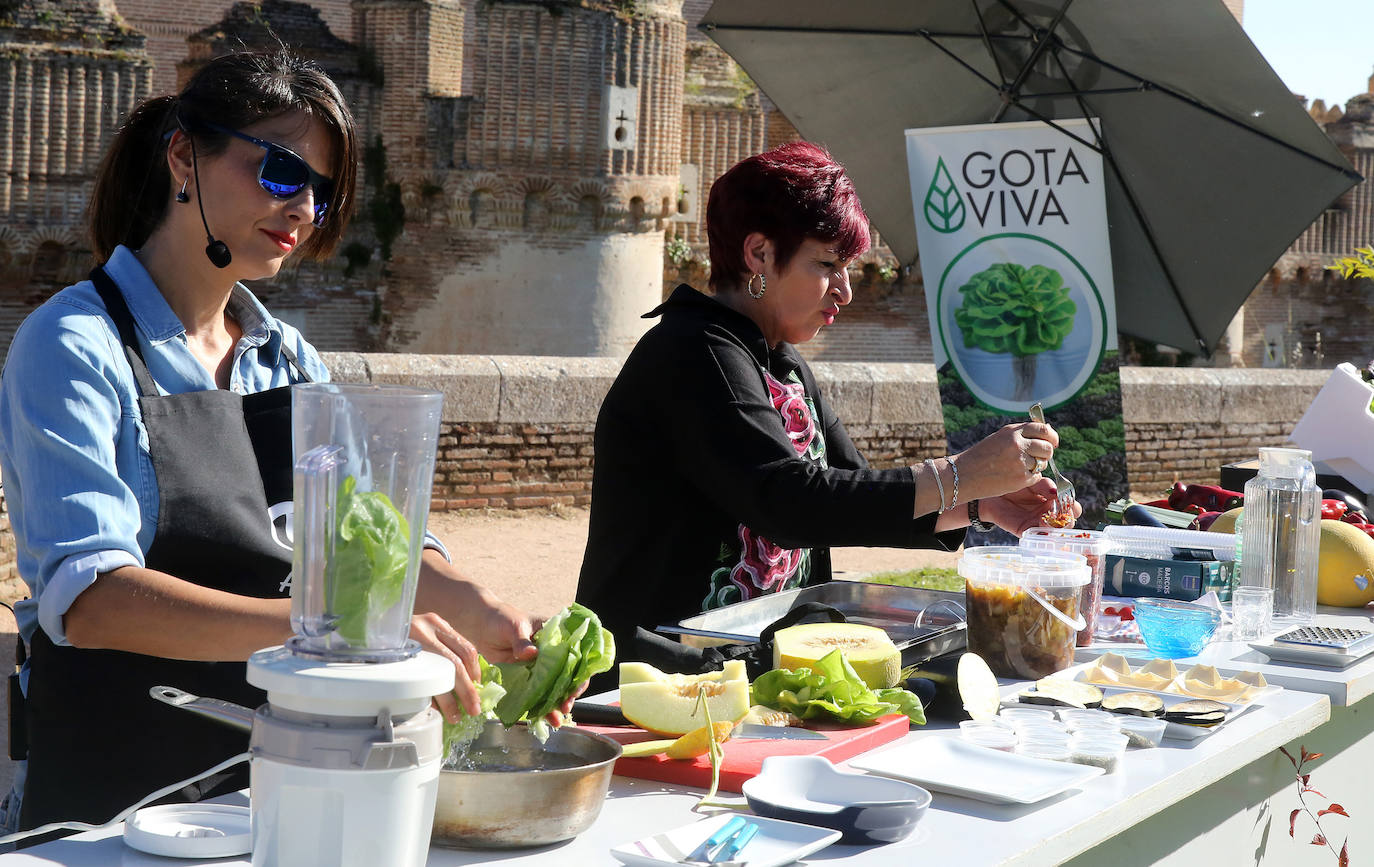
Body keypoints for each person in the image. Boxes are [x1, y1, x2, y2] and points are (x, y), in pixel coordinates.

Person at [0, 49, 562, 833]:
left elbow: (368, 538)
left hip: (278, 788)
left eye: (323, 191)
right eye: (280, 171)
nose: (304, 207)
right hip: (113, 806)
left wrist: (478, 608)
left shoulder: (290, 358)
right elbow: (89, 597)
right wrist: (326, 631)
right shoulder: (72, 343)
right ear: (183, 156)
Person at [575, 142, 1080, 685]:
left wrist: (981, 503)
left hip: (736, 665)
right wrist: (961, 473)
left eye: (849, 268)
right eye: (827, 264)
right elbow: (791, 503)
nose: (845, 290)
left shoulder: (779, 360)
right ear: (759, 254)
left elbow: (850, 497)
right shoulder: (692, 351)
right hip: (653, 676)